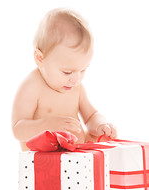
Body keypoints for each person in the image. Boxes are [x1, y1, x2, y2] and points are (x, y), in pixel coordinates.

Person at [11, 8, 117, 151]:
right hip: (43, 163)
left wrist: (100, 125)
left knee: (103, 143)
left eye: (83, 70)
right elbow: (18, 129)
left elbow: (91, 115)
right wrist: (47, 125)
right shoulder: (32, 87)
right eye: (67, 72)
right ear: (40, 58)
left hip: (76, 159)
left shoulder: (76, 87)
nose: (76, 79)